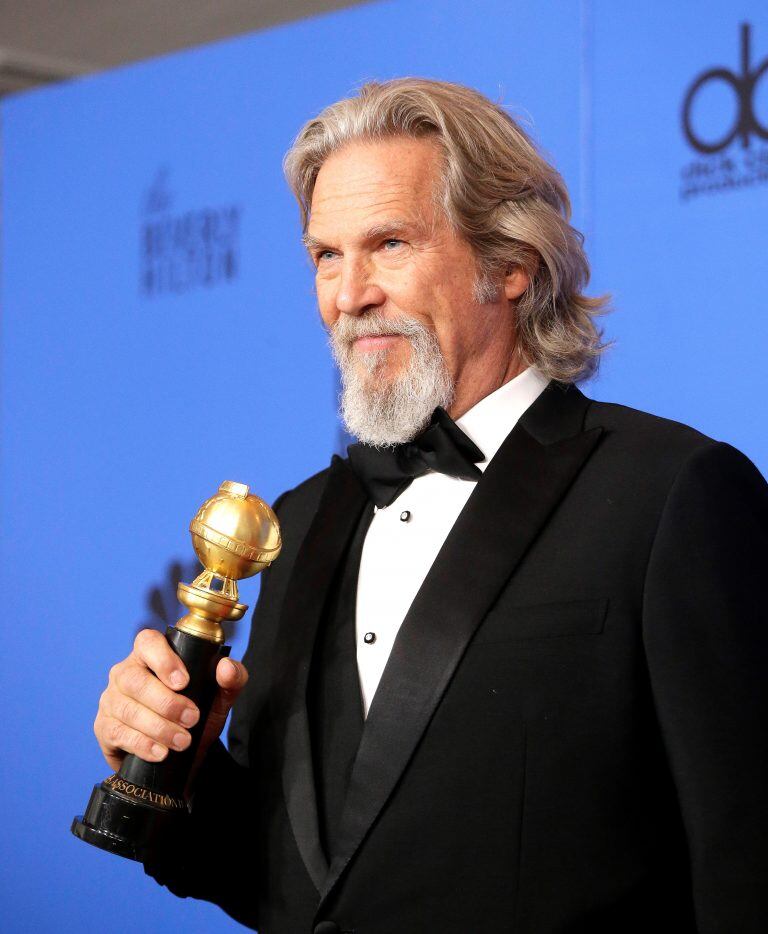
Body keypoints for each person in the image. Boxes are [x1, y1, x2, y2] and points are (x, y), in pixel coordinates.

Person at [93, 79, 768, 934]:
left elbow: (746, 859)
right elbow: (292, 882)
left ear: (511, 263)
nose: (350, 295)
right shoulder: (298, 525)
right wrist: (167, 767)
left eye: (390, 244)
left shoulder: (669, 494)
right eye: (325, 256)